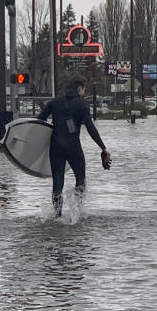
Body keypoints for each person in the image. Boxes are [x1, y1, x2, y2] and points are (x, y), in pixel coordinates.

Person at [39, 78, 111, 216]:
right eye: (83, 90)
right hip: (74, 147)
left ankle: (57, 215)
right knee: (80, 178)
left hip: (56, 147)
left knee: (57, 182)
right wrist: (103, 148)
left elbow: (39, 121)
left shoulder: (54, 103)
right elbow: (90, 128)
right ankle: (77, 211)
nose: (84, 93)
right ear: (79, 89)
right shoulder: (82, 104)